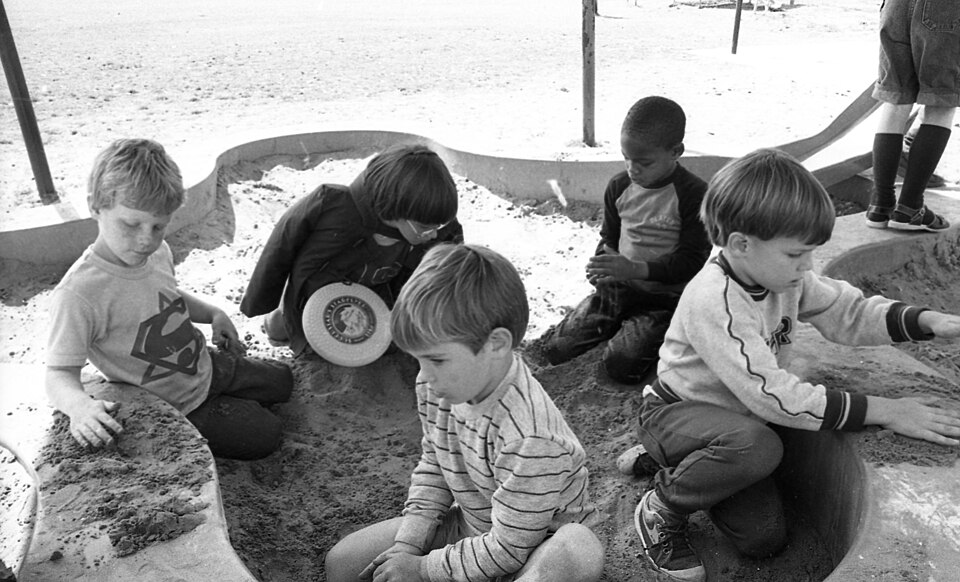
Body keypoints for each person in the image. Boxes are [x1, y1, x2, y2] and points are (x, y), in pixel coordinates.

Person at [626, 148, 960, 582]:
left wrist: (926, 322)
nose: (807, 267)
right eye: (795, 255)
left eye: (811, 255)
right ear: (740, 243)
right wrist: (887, 410)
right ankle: (661, 507)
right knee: (760, 446)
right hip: (677, 411)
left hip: (733, 424)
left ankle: (687, 461)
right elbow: (772, 396)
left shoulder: (781, 276)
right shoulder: (717, 300)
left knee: (763, 539)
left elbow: (847, 312)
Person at [324, 243, 604, 582]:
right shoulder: (439, 384)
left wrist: (422, 569)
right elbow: (434, 463)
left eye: (437, 359)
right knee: (342, 563)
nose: (424, 375)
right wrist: (408, 546)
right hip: (474, 530)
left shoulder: (530, 436)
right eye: (419, 359)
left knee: (577, 548)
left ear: (496, 344)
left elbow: (511, 549)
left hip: (533, 550)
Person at [45, 138, 294, 461]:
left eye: (159, 226)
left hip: (206, 363)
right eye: (131, 224)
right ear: (96, 206)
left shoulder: (157, 252)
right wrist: (79, 405)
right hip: (178, 405)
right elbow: (58, 374)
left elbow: (169, 297)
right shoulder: (78, 295)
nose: (146, 239)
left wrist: (213, 313)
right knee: (268, 434)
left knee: (284, 383)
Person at [538, 96, 711, 384]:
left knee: (622, 366)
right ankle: (615, 319)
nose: (633, 169)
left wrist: (637, 269)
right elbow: (610, 238)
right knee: (558, 349)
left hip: (665, 298)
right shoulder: (619, 186)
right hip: (619, 287)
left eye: (644, 162)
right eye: (626, 158)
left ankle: (663, 333)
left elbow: (692, 260)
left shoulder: (694, 195)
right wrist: (602, 266)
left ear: (676, 151)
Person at [240, 144, 464, 357]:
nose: (434, 234)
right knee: (285, 328)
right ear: (397, 209)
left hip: (373, 295)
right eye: (427, 227)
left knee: (375, 344)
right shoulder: (331, 206)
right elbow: (282, 244)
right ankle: (278, 317)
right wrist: (261, 298)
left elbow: (446, 270)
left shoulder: (425, 224)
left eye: (438, 226)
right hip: (316, 292)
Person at [864, 0, 958, 231]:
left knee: (896, 100)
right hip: (943, 9)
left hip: (896, 7)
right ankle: (910, 207)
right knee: (942, 102)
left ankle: (880, 205)